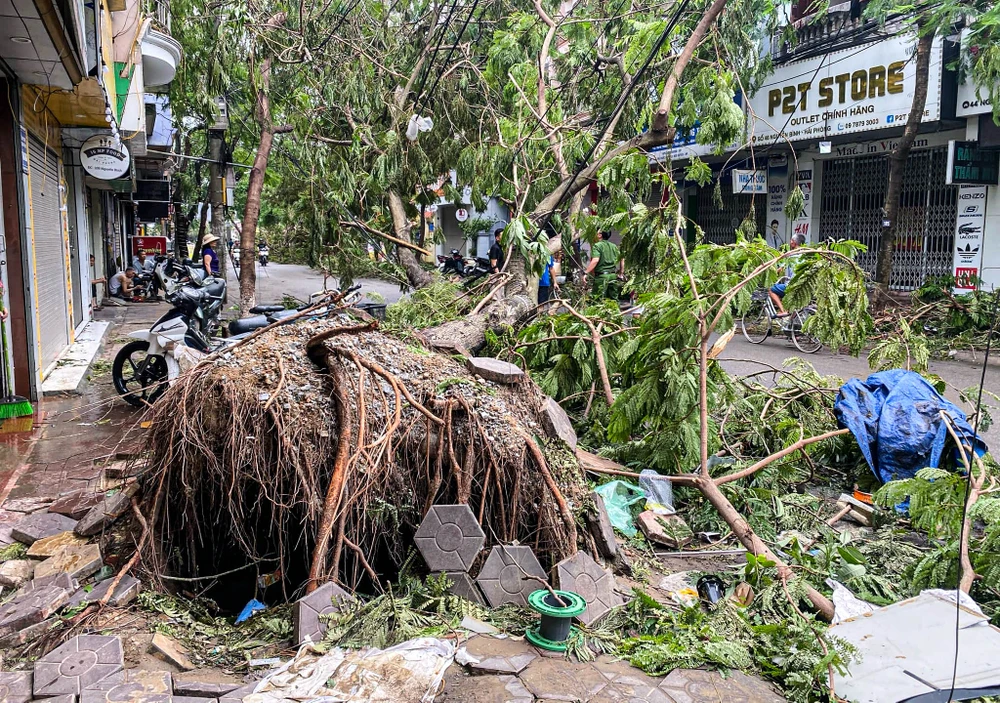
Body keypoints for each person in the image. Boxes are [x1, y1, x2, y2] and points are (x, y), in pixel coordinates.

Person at [769, 232, 805, 316]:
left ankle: (782, 310)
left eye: (791, 240)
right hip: (802, 284)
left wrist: (770, 272)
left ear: (794, 242)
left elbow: (779, 269)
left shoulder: (790, 255)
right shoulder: (806, 254)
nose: (790, 242)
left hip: (791, 285)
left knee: (771, 290)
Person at [585, 231, 623, 299]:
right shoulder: (613, 246)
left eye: (598, 232)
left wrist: (585, 273)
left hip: (601, 277)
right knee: (613, 299)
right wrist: (621, 273)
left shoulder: (597, 246)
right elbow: (622, 259)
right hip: (613, 276)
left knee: (597, 299)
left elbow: (595, 260)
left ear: (600, 235)